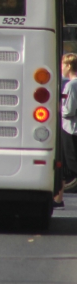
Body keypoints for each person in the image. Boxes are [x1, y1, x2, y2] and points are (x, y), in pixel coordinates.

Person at [54, 53, 77, 207]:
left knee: (72, 164)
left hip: (70, 129)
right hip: (68, 128)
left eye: (62, 64)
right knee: (62, 166)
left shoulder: (71, 85)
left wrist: (56, 108)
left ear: (69, 66)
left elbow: (69, 110)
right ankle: (58, 199)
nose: (60, 67)